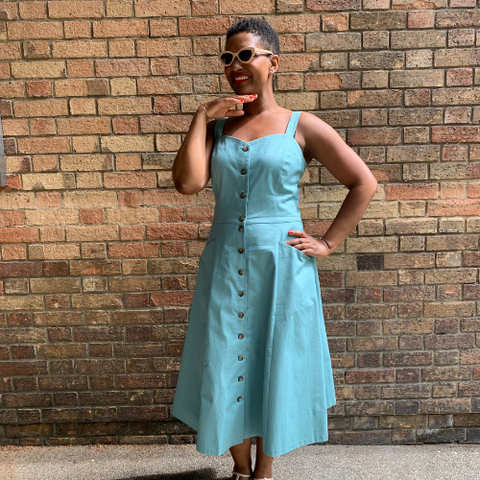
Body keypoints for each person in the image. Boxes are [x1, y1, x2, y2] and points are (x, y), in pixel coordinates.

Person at [171, 17, 378, 480]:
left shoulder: (302, 126)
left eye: (246, 54)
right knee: (224, 356)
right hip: (225, 261)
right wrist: (199, 118)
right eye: (228, 57)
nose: (235, 65)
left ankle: (263, 471)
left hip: (282, 266)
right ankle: (239, 469)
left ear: (273, 62)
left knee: (275, 358)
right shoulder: (218, 127)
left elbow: (362, 182)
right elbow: (187, 183)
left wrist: (327, 241)